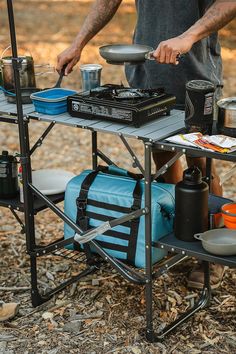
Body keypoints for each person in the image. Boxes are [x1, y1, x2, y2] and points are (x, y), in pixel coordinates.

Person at [56, 0, 236, 289]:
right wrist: (78, 43)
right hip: (146, 76)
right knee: (163, 161)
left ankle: (213, 254)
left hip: (195, 76)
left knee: (201, 165)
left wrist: (188, 36)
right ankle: (178, 235)